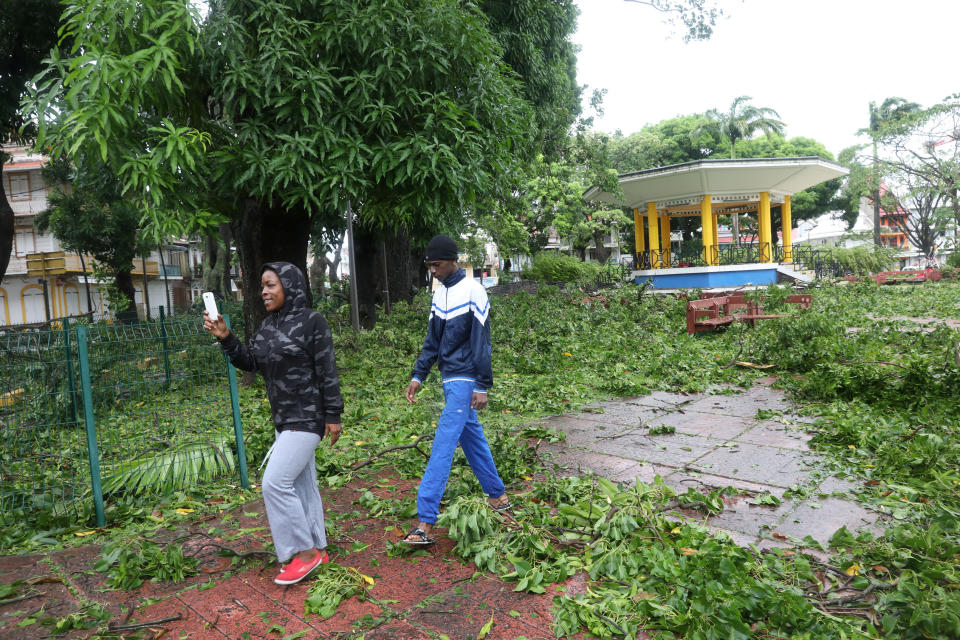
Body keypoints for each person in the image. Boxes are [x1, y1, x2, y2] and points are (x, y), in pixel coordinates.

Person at [203, 261, 343, 585]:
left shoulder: (313, 322)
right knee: (303, 486)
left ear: (290, 286)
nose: (264, 292)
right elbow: (251, 360)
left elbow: (328, 369)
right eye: (262, 286)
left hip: (307, 418)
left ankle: (303, 554)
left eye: (271, 285)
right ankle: (318, 548)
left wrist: (333, 414)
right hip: (283, 419)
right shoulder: (267, 327)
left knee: (274, 483)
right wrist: (226, 337)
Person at [402, 235, 510, 545]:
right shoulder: (438, 295)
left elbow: (482, 341)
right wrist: (418, 376)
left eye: (436, 265)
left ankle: (425, 523)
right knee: (472, 439)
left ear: (453, 260)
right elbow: (432, 342)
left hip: (465, 380)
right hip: (448, 380)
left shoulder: (474, 290)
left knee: (442, 444)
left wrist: (481, 385)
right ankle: (499, 497)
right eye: (429, 266)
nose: (432, 270)